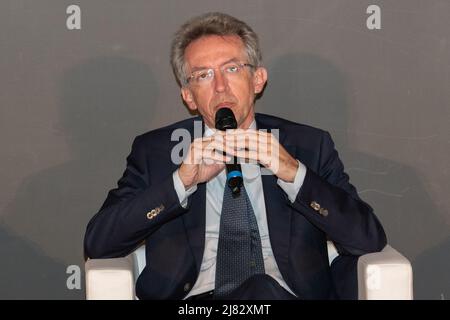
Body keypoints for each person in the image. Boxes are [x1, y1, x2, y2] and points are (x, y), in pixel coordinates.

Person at [84, 12, 386, 300]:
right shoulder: (156, 152)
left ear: (258, 80)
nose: (219, 86)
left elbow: (367, 238)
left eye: (231, 69)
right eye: (203, 75)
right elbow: (99, 243)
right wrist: (180, 183)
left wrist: (295, 173)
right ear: (188, 95)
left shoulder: (307, 145)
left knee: (261, 291)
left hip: (283, 296)